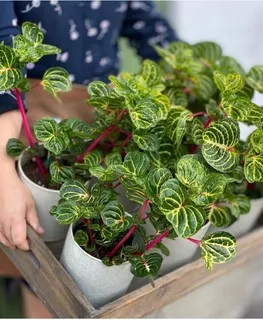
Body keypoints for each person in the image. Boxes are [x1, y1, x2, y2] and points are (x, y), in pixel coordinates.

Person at [0, 1, 178, 317]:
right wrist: (2, 171)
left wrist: (191, 79)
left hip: (99, 126)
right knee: (47, 275)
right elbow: (3, 46)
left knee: (93, 269)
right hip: (27, 127)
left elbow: (147, 23)